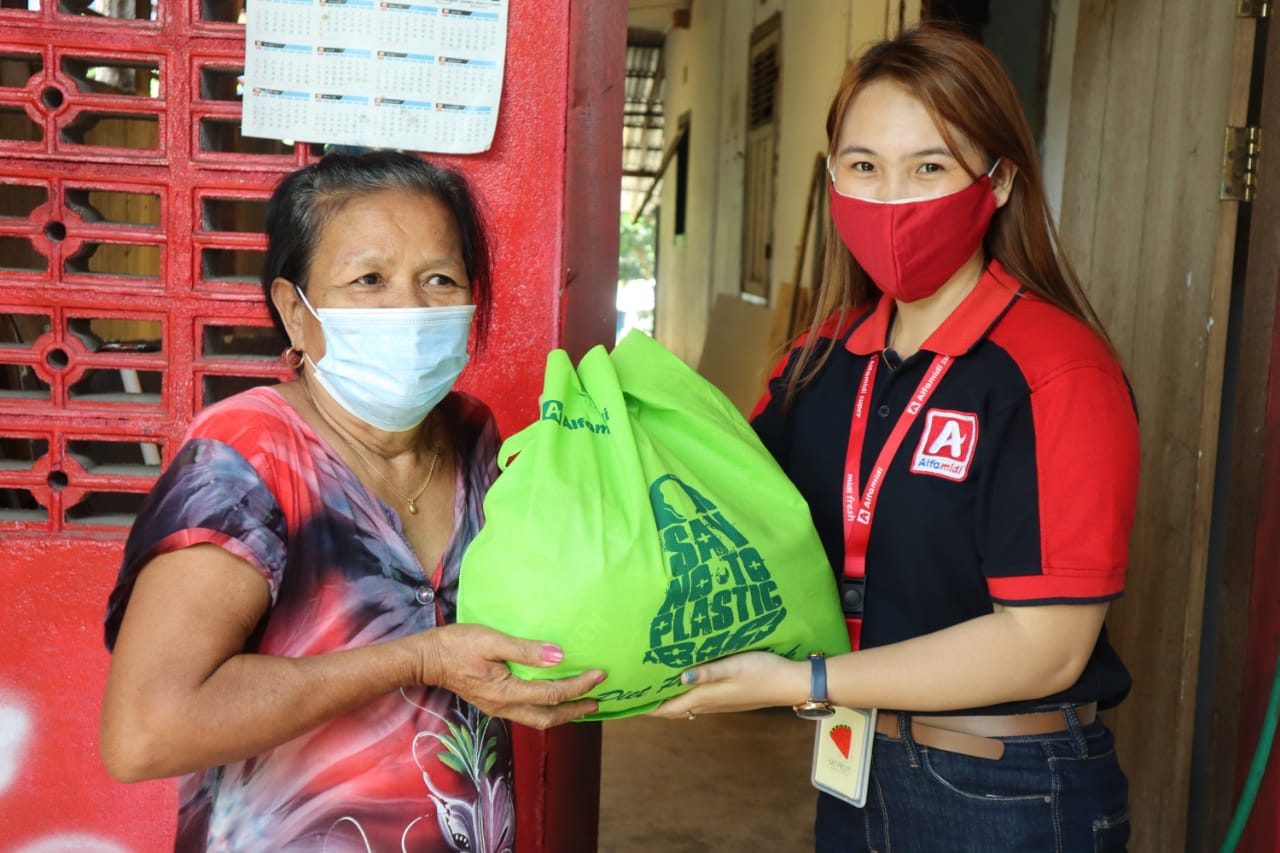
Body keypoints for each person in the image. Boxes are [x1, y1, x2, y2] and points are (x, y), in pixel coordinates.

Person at [652, 25, 1138, 853]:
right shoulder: (817, 366)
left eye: (931, 166)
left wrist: (803, 680)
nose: (893, 199)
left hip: (1007, 788)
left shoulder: (1055, 372)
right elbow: (723, 516)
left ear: (1000, 181)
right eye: (864, 165)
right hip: (858, 765)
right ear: (832, 175)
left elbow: (1046, 647)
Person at [99, 150, 604, 852]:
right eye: (369, 279)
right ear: (294, 312)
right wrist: (416, 658)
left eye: (439, 279)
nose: (410, 307)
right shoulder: (246, 458)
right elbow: (145, 732)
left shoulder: (474, 436)